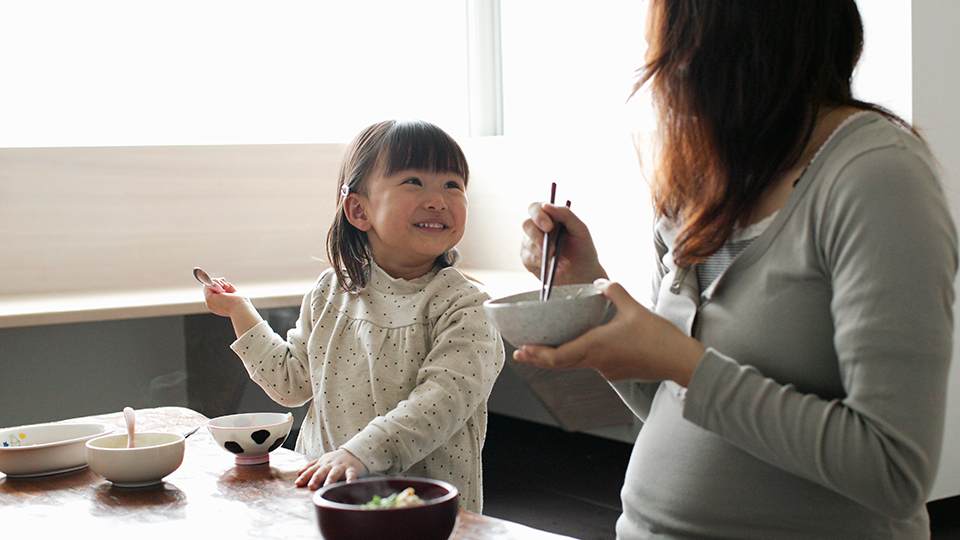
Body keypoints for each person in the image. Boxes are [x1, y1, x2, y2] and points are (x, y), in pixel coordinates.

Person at [516, 1, 957, 538]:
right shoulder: (698, 184)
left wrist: (691, 367)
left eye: (673, 48)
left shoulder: (877, 177)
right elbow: (668, 400)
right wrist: (587, 289)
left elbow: (894, 471)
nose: (662, 74)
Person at [202, 119, 505, 513]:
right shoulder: (331, 291)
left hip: (420, 510)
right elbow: (291, 383)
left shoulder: (466, 305)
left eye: (452, 185)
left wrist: (361, 454)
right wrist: (239, 311)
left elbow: (441, 402)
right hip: (325, 495)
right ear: (359, 210)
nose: (438, 200)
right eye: (413, 181)